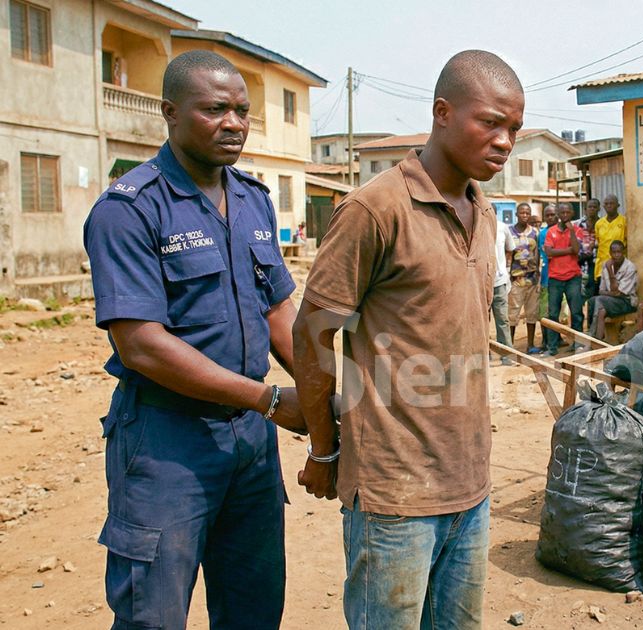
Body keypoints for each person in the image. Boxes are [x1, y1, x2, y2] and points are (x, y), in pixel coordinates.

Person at [291, 49, 524, 630]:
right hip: (394, 495)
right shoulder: (375, 209)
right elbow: (313, 333)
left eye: (514, 129)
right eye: (490, 122)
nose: (504, 141)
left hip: (469, 483)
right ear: (442, 113)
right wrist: (324, 449)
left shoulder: (483, 210)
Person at [83, 50, 305, 629]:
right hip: (167, 443)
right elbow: (143, 344)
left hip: (250, 445)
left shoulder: (254, 198)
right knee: (152, 616)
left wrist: (326, 385)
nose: (233, 122)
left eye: (241, 110)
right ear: (170, 112)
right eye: (214, 109)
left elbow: (280, 308)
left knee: (253, 607)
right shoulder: (128, 210)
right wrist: (271, 400)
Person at [544, 202, 586, 354]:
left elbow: (576, 250)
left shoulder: (578, 230)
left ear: (572, 214)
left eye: (568, 212)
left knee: (576, 312)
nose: (565, 215)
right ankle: (552, 347)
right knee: (553, 313)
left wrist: (572, 232)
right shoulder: (551, 231)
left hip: (573, 277)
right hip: (555, 277)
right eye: (562, 213)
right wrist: (568, 250)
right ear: (558, 215)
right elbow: (549, 252)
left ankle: (578, 344)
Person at [588, 240, 639, 343]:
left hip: (627, 302)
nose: (616, 255)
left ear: (623, 252)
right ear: (610, 253)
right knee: (595, 303)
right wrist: (611, 294)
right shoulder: (605, 265)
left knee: (598, 300)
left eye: (619, 252)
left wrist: (610, 271)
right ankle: (598, 341)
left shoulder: (630, 267)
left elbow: (619, 293)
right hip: (609, 301)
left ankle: (591, 338)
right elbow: (601, 290)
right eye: (614, 252)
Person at [508, 203, 543, 354]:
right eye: (522, 212)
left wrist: (538, 274)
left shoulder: (535, 232)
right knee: (512, 314)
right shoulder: (509, 232)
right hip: (516, 279)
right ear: (516, 214)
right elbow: (507, 254)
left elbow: (538, 254)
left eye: (527, 213)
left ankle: (530, 344)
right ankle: (509, 346)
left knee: (531, 313)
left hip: (532, 279)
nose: (524, 215)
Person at [492, 215, 516, 361]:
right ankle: (482, 355)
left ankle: (507, 356)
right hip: (479, 283)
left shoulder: (502, 227)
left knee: (502, 319)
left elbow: (510, 248)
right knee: (479, 321)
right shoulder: (473, 224)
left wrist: (505, 266)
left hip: (498, 281)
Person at [578, 198, 601, 326]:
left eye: (594, 207)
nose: (591, 209)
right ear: (585, 209)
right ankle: (579, 332)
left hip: (596, 267)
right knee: (578, 301)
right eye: (589, 207)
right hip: (580, 266)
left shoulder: (602, 224)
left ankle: (592, 329)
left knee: (594, 300)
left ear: (598, 209)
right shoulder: (578, 225)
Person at [594, 194, 627, 281]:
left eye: (611, 203)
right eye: (606, 204)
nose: (609, 206)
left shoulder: (624, 221)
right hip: (602, 264)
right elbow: (599, 242)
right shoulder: (599, 223)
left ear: (618, 205)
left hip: (619, 264)